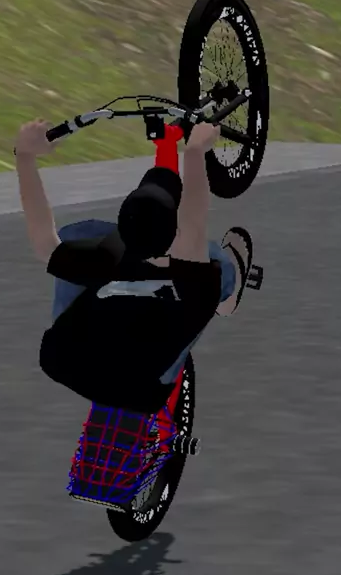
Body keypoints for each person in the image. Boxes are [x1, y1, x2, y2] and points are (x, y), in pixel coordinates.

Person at [14, 118, 254, 415]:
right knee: (221, 264)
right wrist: (195, 150)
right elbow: (194, 221)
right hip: (140, 392)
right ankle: (228, 300)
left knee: (74, 238)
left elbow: (42, 239)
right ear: (175, 231)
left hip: (64, 363)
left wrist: (25, 155)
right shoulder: (197, 282)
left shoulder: (99, 260)